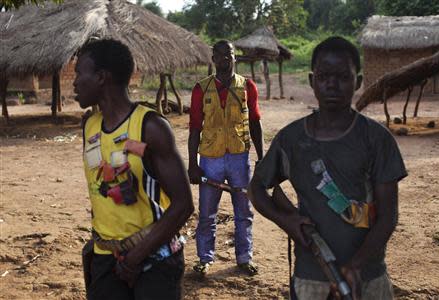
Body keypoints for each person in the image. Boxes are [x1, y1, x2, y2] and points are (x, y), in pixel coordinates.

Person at [249, 36, 407, 299]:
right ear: (312, 81)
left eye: (343, 77)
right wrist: (286, 220)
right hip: (311, 276)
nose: (332, 85)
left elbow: (388, 216)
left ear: (357, 82)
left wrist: (356, 265)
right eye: (324, 77)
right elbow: (256, 187)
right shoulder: (291, 140)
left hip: (367, 277)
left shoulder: (377, 139)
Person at [74, 39, 194, 300]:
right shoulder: (89, 127)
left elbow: (183, 205)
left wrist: (135, 257)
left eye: (79, 73)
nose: (74, 82)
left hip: (154, 259)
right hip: (106, 258)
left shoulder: (150, 127)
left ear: (101, 77)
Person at [188, 40, 264, 276]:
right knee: (207, 213)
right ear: (213, 59)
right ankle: (204, 259)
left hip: (240, 158)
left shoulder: (247, 87)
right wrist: (193, 164)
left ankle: (244, 257)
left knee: (244, 211)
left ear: (235, 57)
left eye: (229, 54)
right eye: (220, 55)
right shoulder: (201, 89)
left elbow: (255, 123)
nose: (225, 58)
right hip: (210, 159)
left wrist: (262, 158)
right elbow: (194, 129)